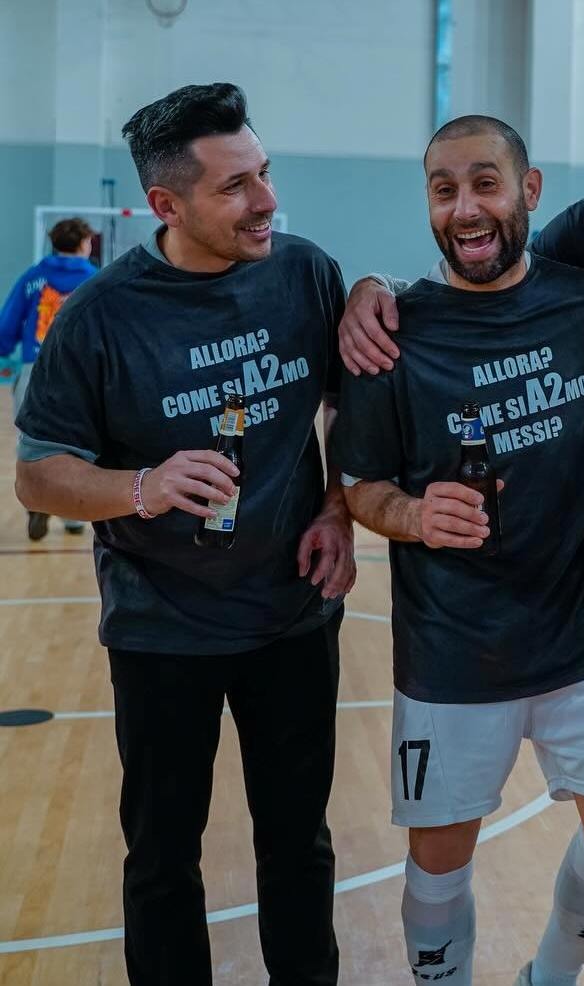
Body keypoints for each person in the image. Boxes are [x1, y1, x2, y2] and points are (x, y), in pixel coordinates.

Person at [14, 83, 355, 986]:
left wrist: (335, 508)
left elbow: (344, 406)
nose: (267, 200)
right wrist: (142, 486)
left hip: (293, 618)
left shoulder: (305, 273)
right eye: (236, 186)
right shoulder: (101, 316)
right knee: (164, 857)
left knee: (300, 844)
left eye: (264, 173)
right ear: (166, 205)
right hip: (162, 631)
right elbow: (38, 471)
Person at [333, 115, 584, 986]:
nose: (465, 209)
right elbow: (360, 484)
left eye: (485, 183)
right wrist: (415, 516)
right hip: (452, 649)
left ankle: (550, 977)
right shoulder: (391, 335)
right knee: (438, 865)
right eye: (444, 189)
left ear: (529, 191)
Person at [0, 217, 97, 539]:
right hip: (80, 370)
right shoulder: (96, 279)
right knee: (79, 441)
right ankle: (73, 516)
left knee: (31, 440)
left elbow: (7, 326)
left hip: (35, 367)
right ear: (83, 243)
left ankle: (36, 502)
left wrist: (6, 349)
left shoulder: (33, 276)